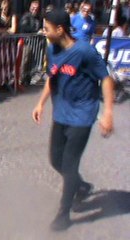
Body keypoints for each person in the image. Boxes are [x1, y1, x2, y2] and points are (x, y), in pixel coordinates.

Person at [32, 9, 114, 231]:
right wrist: (40, 103)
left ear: (60, 29)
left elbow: (106, 80)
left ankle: (63, 214)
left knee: (69, 164)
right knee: (55, 160)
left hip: (82, 115)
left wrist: (107, 113)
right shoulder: (52, 49)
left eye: (46, 28)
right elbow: (52, 77)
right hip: (61, 113)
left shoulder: (84, 52)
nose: (43, 32)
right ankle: (80, 185)